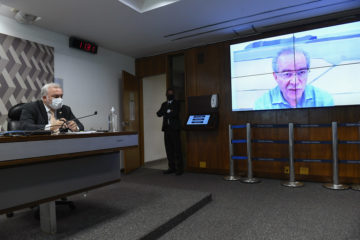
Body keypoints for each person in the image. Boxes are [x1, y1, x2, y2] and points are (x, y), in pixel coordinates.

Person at [254, 47, 334, 110]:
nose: (295, 82)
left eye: (301, 72)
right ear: (276, 77)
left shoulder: (324, 100)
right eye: (287, 74)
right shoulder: (262, 104)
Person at [156, 88, 183, 175]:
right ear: (166, 95)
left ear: (173, 95)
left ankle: (180, 169)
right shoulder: (164, 104)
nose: (169, 95)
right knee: (169, 149)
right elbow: (158, 114)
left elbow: (175, 113)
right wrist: (167, 111)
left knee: (177, 149)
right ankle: (171, 168)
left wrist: (166, 112)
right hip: (166, 129)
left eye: (171, 94)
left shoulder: (177, 103)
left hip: (174, 129)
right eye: (168, 94)